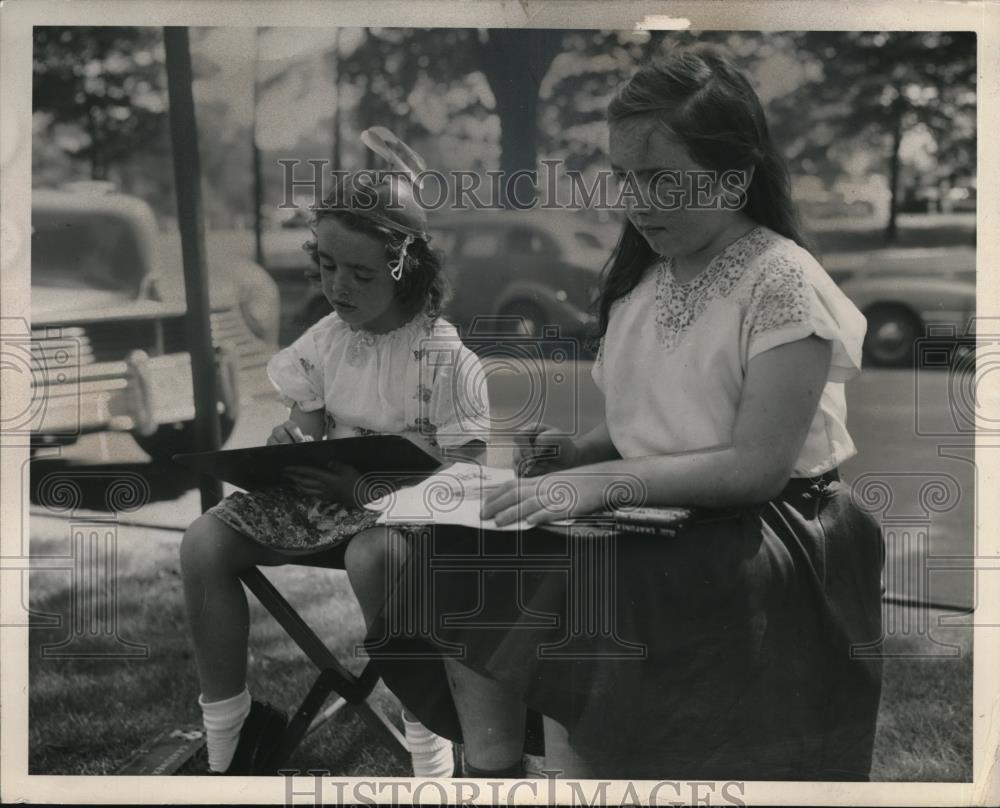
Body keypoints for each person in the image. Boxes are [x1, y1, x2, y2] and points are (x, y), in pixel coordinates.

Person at [344, 46, 885, 781]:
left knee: (578, 584)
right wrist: (574, 456)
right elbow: (649, 425)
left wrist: (601, 485)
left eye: (663, 178)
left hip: (764, 531)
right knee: (463, 554)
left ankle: (574, 771)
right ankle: (493, 773)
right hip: (659, 510)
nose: (637, 201)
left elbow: (757, 466)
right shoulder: (645, 279)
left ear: (736, 175)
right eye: (625, 176)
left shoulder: (782, 283)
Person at [179, 143, 491, 775]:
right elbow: (307, 428)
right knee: (203, 542)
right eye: (326, 267)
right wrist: (289, 447)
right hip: (327, 505)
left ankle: (429, 739)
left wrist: (373, 492)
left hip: (414, 520)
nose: (338, 287)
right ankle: (228, 738)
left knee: (372, 555)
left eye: (361, 274)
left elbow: (470, 471)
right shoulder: (325, 343)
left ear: (406, 268)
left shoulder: (442, 357)